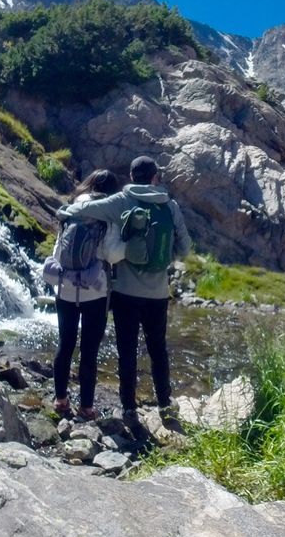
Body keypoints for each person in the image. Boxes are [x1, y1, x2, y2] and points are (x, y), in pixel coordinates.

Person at [59, 155, 191, 428]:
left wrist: (65, 212)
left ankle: (129, 409)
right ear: (155, 177)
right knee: (158, 349)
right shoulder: (171, 205)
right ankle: (165, 404)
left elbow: (87, 211)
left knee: (126, 351)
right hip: (157, 293)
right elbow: (185, 248)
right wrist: (168, 256)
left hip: (124, 293)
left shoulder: (121, 201)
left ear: (132, 177)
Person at [52, 168, 120, 421]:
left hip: (65, 287)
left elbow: (58, 250)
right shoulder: (107, 213)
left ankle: (60, 400)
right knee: (89, 350)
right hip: (95, 290)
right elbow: (112, 254)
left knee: (65, 344)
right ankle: (87, 408)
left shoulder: (69, 210)